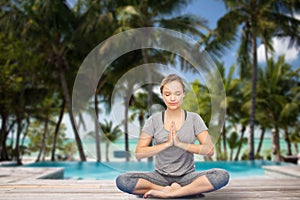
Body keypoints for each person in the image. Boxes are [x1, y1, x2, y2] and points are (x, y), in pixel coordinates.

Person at [116, 74, 229, 198]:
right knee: (123, 180)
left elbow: (209, 150)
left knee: (221, 176)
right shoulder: (154, 120)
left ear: (183, 94)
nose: (172, 98)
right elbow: (139, 153)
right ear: (162, 95)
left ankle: (172, 193)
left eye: (177, 93)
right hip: (159, 177)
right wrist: (167, 144)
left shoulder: (194, 119)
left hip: (187, 176)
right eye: (168, 94)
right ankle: (172, 190)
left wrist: (180, 144)